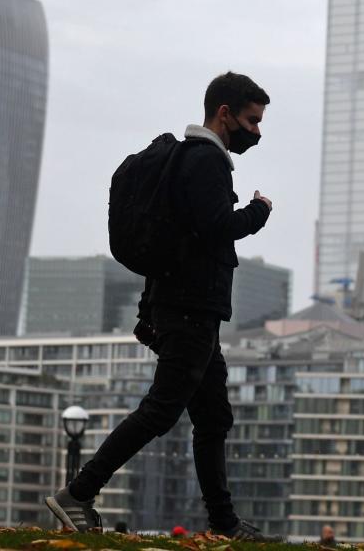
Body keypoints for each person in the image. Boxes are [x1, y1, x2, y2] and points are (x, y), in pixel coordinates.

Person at [46, 72, 275, 540]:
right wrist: (258, 212)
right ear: (224, 113)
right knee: (162, 408)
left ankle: (224, 522)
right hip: (190, 309)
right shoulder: (205, 160)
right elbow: (215, 227)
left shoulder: (192, 160)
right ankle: (79, 493)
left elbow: (182, 235)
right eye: (251, 121)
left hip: (191, 309)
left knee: (213, 417)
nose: (256, 132)